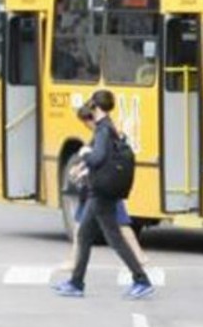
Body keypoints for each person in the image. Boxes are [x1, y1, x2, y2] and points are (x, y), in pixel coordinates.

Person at [53, 90, 154, 299]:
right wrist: (83, 166)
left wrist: (84, 154)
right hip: (99, 191)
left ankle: (141, 280)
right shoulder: (107, 127)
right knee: (84, 235)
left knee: (114, 238)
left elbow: (98, 158)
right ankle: (76, 283)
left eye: (91, 104)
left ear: (95, 107)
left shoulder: (103, 129)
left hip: (102, 192)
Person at [60, 104, 149, 271]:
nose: (86, 126)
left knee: (108, 228)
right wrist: (80, 168)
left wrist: (81, 168)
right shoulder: (104, 130)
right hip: (102, 186)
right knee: (107, 225)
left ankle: (138, 267)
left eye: (85, 122)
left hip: (101, 188)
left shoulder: (102, 133)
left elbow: (98, 158)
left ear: (90, 119)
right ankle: (139, 257)